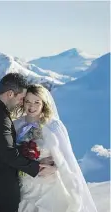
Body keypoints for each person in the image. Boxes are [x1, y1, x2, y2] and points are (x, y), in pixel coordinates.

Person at [0, 73, 55, 212]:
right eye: (22, 98)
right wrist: (38, 167)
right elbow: (8, 154)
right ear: (10, 94)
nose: (22, 103)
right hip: (0, 191)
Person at [14, 84, 98, 212]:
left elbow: (66, 157)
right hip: (24, 185)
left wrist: (56, 167)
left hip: (49, 186)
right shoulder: (16, 125)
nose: (32, 106)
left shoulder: (53, 126)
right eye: (28, 101)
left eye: (37, 102)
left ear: (44, 103)